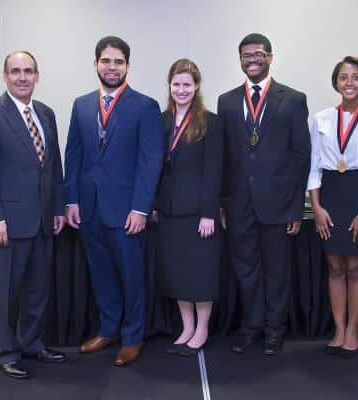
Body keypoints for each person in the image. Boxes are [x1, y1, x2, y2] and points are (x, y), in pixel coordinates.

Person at [64, 36, 163, 366]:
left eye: (118, 61)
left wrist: (140, 207)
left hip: (126, 212)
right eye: (106, 61)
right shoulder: (80, 105)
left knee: (132, 276)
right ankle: (108, 329)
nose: (111, 67)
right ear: (95, 64)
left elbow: (151, 162)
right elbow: (73, 156)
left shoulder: (145, 106)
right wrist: (71, 201)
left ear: (128, 66)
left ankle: (132, 336)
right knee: (101, 273)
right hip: (89, 209)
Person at [0, 51, 66, 379]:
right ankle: (7, 352)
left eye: (28, 71)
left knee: (38, 290)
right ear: (5, 75)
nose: (22, 77)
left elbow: (53, 168)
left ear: (37, 76)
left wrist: (57, 209)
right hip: (6, 226)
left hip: (42, 223)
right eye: (15, 71)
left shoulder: (46, 114)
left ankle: (32, 343)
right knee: (5, 293)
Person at [217, 33, 311, 355]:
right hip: (239, 203)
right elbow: (225, 158)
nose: (252, 59)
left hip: (279, 204)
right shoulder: (226, 101)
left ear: (270, 57)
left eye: (258, 54)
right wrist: (223, 204)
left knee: (276, 272)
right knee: (246, 270)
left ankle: (274, 329)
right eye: (246, 55)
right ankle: (251, 326)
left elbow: (302, 156)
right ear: (240, 60)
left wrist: (297, 209)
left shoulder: (293, 99)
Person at [308, 56, 358, 357]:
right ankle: (338, 329)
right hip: (329, 196)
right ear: (336, 82)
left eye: (355, 77)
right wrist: (316, 208)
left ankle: (353, 330)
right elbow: (313, 168)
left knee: (355, 266)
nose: (349, 83)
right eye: (343, 77)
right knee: (334, 266)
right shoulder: (321, 119)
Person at [155, 59, 223, 356]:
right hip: (169, 211)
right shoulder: (160, 120)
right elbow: (153, 168)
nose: (181, 90)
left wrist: (209, 212)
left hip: (198, 213)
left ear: (196, 87)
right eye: (176, 84)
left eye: (187, 84)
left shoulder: (210, 121)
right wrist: (155, 205)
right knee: (177, 272)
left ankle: (203, 328)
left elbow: (214, 170)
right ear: (169, 86)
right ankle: (186, 327)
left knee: (200, 273)